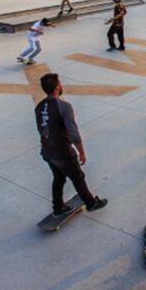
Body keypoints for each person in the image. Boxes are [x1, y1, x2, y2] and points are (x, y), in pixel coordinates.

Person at [34, 72, 108, 216]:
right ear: (57, 87)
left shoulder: (39, 106)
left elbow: (41, 129)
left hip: (48, 152)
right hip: (63, 153)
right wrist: (82, 152)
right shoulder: (64, 106)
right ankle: (91, 203)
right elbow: (73, 132)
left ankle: (57, 207)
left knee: (59, 177)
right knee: (78, 177)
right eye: (60, 83)